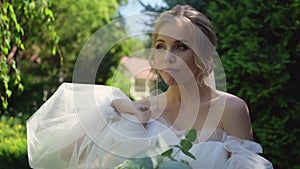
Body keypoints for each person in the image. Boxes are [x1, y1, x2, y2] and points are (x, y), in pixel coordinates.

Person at [27, 5, 273, 169]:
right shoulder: (143, 108)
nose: (167, 57)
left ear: (203, 55)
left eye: (180, 47)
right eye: (160, 46)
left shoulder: (231, 109)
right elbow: (64, 155)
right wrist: (113, 109)